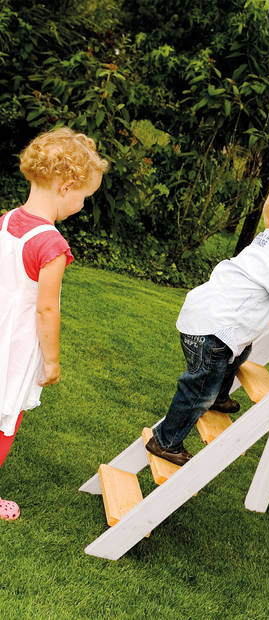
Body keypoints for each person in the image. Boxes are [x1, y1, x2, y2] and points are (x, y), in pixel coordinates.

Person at [146, 180, 269, 466]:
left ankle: (219, 396)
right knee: (198, 389)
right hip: (214, 332)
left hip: (206, 321)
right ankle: (166, 441)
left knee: (240, 352)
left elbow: (266, 292)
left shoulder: (265, 244)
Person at [0, 127, 108, 520]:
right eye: (84, 196)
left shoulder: (7, 220)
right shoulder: (51, 246)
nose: (82, 203)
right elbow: (47, 310)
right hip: (14, 345)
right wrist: (52, 361)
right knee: (6, 415)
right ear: (66, 186)